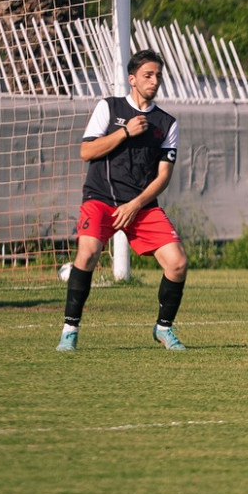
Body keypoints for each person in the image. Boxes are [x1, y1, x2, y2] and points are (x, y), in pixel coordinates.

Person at [57, 49, 188, 351]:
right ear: (132, 79)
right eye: (148, 75)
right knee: (88, 254)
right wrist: (124, 133)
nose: (154, 80)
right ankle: (70, 330)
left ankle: (163, 328)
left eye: (158, 75)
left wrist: (136, 204)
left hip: (139, 205)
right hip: (100, 199)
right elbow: (86, 152)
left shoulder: (166, 124)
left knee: (178, 263)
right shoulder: (109, 107)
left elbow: (163, 176)